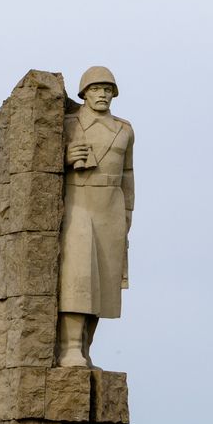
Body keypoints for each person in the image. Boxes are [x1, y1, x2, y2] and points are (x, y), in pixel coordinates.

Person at [57, 66, 135, 368]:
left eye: (107, 89)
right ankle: (70, 348)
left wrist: (127, 214)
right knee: (78, 274)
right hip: (79, 199)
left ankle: (85, 350)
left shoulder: (125, 129)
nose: (102, 94)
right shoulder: (68, 123)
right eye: (95, 89)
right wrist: (64, 157)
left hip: (111, 206)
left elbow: (128, 176)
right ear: (84, 94)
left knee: (102, 281)